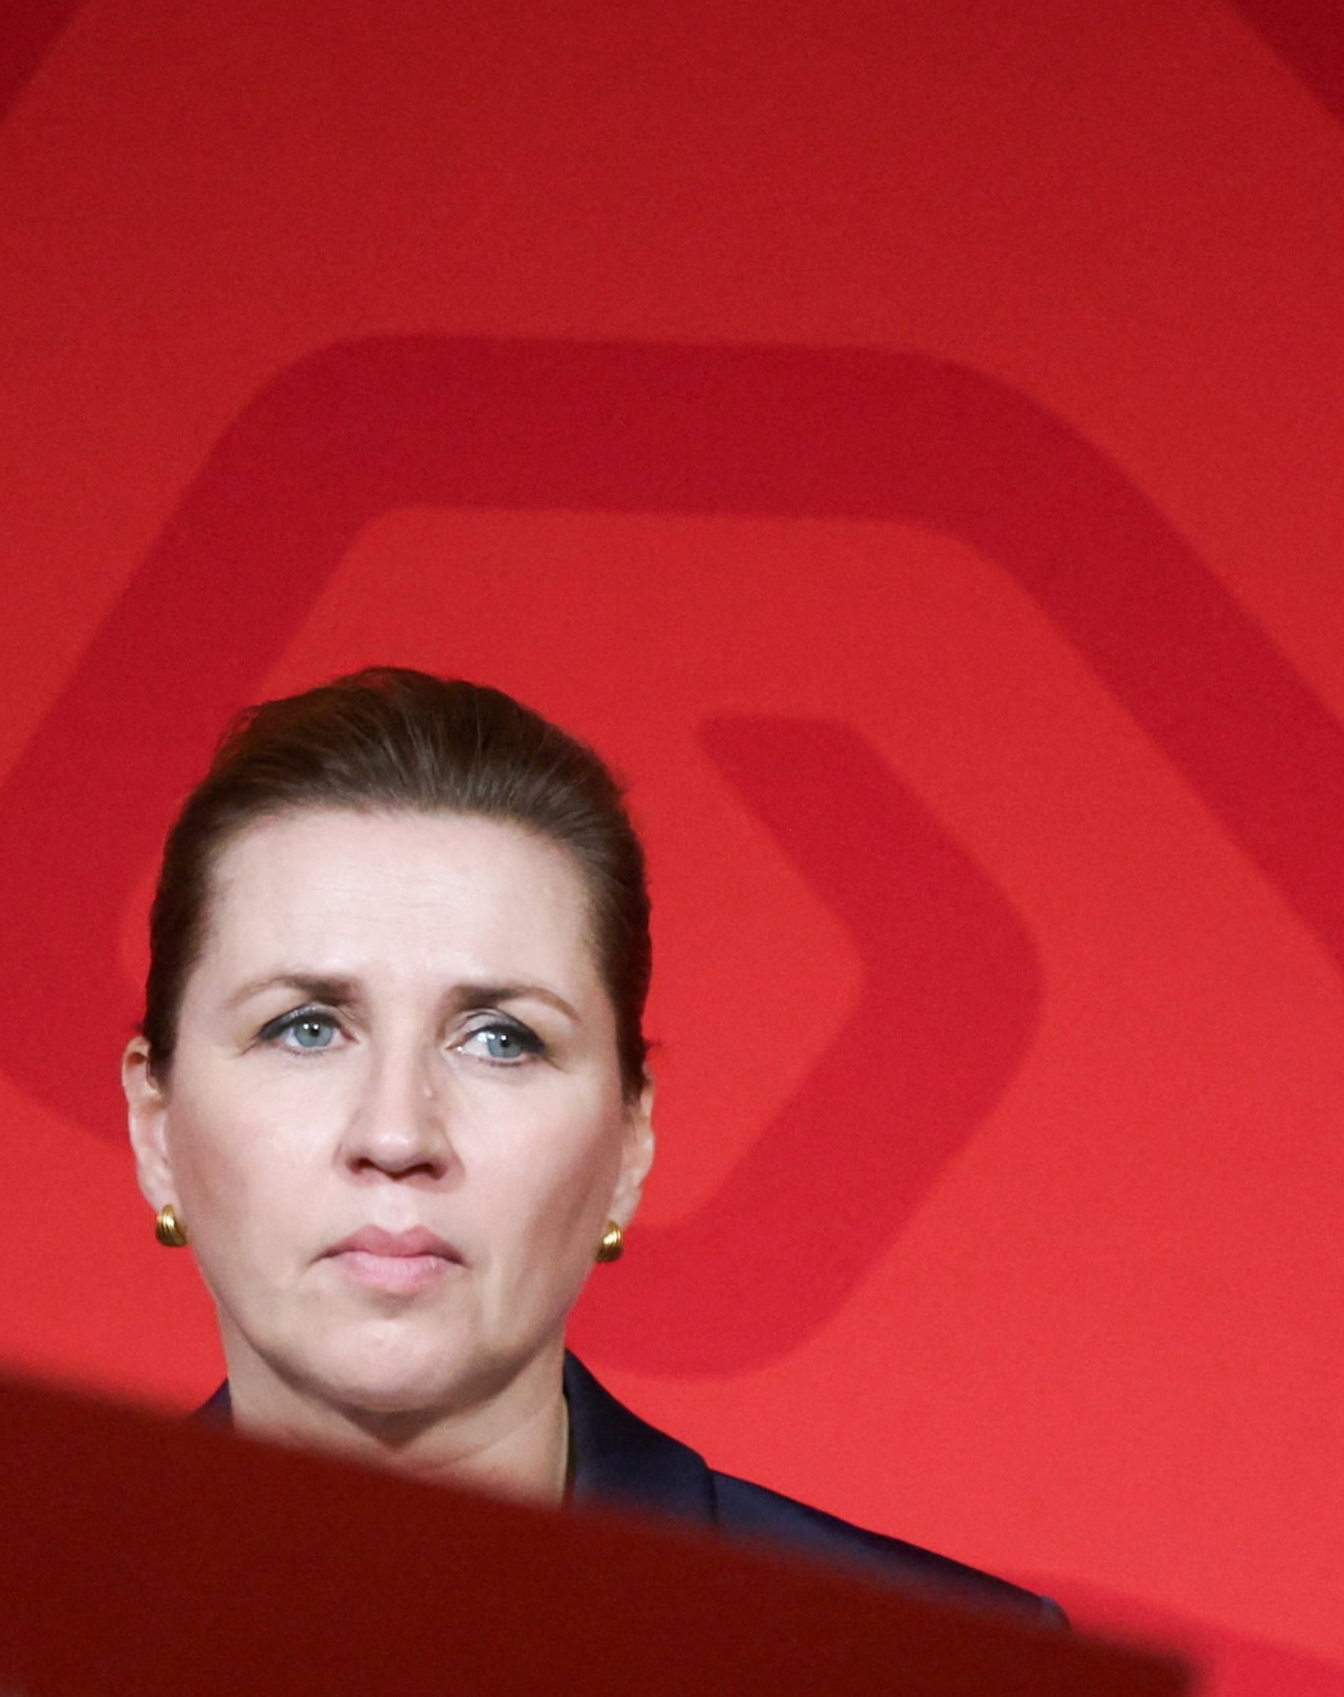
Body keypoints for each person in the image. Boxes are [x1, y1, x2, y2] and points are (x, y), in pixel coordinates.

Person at [123, 667, 1052, 1620]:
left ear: (629, 1143)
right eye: (305, 1028)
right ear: (155, 1127)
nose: (396, 1133)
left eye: (500, 1039)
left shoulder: (948, 1696)